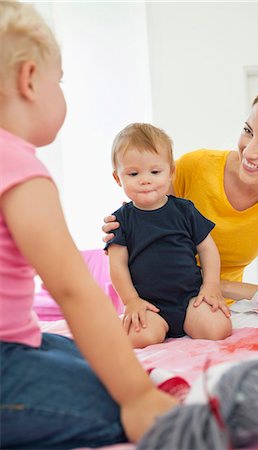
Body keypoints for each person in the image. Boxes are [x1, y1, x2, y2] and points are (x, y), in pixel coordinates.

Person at [0, 2, 177, 449]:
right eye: (59, 82)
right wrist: (136, 397)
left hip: (15, 339)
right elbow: (74, 291)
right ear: (29, 79)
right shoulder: (18, 168)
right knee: (120, 401)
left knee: (91, 358)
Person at [103, 77, 258, 304]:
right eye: (248, 130)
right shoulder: (194, 167)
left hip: (219, 308)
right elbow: (147, 234)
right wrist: (122, 232)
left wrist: (219, 285)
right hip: (158, 304)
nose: (249, 150)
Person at [105, 123, 232, 349]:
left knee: (218, 328)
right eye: (133, 173)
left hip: (190, 300)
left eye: (155, 172)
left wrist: (211, 285)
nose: (145, 179)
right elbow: (117, 265)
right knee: (139, 337)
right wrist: (131, 301)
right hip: (149, 306)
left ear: (171, 172)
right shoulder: (120, 221)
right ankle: (151, 326)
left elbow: (207, 249)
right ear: (118, 178)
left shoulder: (185, 210)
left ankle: (194, 321)